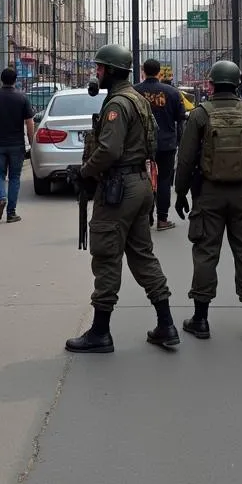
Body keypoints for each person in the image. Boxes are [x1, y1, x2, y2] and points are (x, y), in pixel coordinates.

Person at [66, 43, 179, 354]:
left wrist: (85, 171)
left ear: (112, 71)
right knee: (143, 255)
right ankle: (166, 324)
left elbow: (110, 150)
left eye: (100, 68)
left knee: (106, 256)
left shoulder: (117, 104)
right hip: (140, 184)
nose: (97, 73)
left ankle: (100, 332)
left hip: (119, 188)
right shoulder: (137, 99)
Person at [174, 59, 242, 341]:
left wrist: (181, 192)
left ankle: (200, 320)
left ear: (211, 85)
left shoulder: (200, 115)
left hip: (208, 192)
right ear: (238, 85)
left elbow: (185, 159)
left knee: (206, 253)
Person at [135, 58, 186, 231]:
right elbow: (181, 120)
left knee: (143, 179)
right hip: (166, 144)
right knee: (164, 180)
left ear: (143, 71)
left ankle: (146, 215)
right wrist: (180, 142)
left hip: (141, 145)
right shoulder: (171, 92)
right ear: (159, 73)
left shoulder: (135, 92)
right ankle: (162, 219)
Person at [0, 67, 36, 223]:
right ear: (15, 80)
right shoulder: (22, 98)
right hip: (16, 144)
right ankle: (11, 213)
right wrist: (31, 141)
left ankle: (1, 199)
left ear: (1, 79)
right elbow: (29, 122)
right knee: (14, 177)